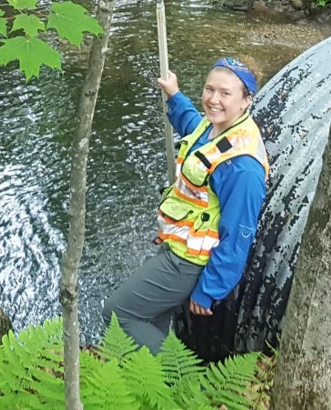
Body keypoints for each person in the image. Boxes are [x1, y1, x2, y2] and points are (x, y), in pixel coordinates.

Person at [102, 57, 270, 353]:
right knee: (149, 320)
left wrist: (209, 290)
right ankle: (150, 386)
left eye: (225, 93)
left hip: (188, 262)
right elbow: (194, 130)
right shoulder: (216, 127)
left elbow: (238, 236)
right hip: (177, 245)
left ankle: (178, 379)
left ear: (246, 100)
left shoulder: (243, 169)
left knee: (118, 315)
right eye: (209, 89)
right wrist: (175, 95)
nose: (213, 100)